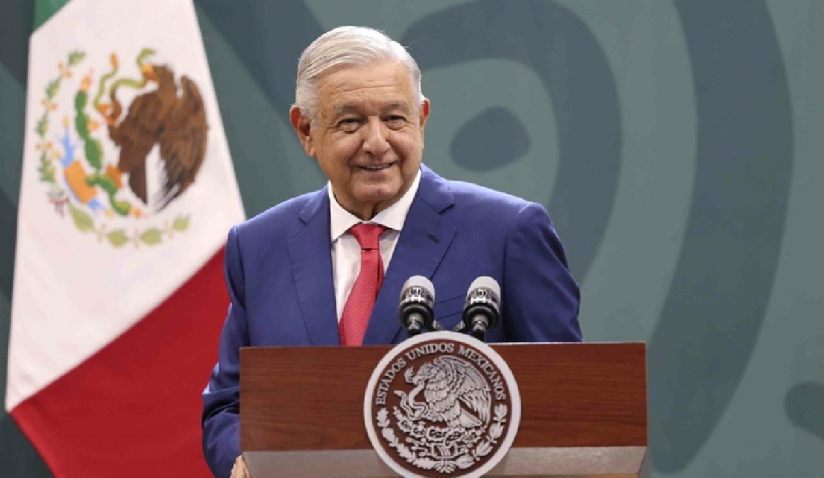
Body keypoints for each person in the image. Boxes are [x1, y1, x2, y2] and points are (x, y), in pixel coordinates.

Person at [201, 26, 582, 478]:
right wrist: (241, 462)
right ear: (306, 130)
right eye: (350, 122)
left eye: (395, 119)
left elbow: (569, 399)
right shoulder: (259, 247)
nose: (377, 142)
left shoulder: (508, 231)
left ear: (422, 119)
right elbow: (228, 405)